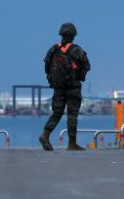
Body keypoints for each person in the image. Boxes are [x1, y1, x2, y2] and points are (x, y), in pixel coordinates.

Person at [39, 22, 91, 151]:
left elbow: (46, 67)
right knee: (72, 115)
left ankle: (45, 134)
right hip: (73, 87)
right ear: (73, 35)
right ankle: (72, 143)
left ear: (61, 34)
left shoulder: (53, 50)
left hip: (58, 88)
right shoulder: (76, 50)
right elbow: (87, 66)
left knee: (56, 113)